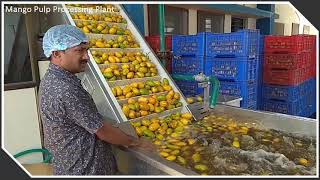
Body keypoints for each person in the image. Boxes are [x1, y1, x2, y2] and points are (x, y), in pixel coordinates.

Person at [39, 24, 154, 175]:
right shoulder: (65, 89)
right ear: (56, 54)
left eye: (86, 50)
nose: (86, 56)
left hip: (71, 166)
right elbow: (102, 131)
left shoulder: (53, 79)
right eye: (79, 51)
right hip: (84, 170)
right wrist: (135, 142)